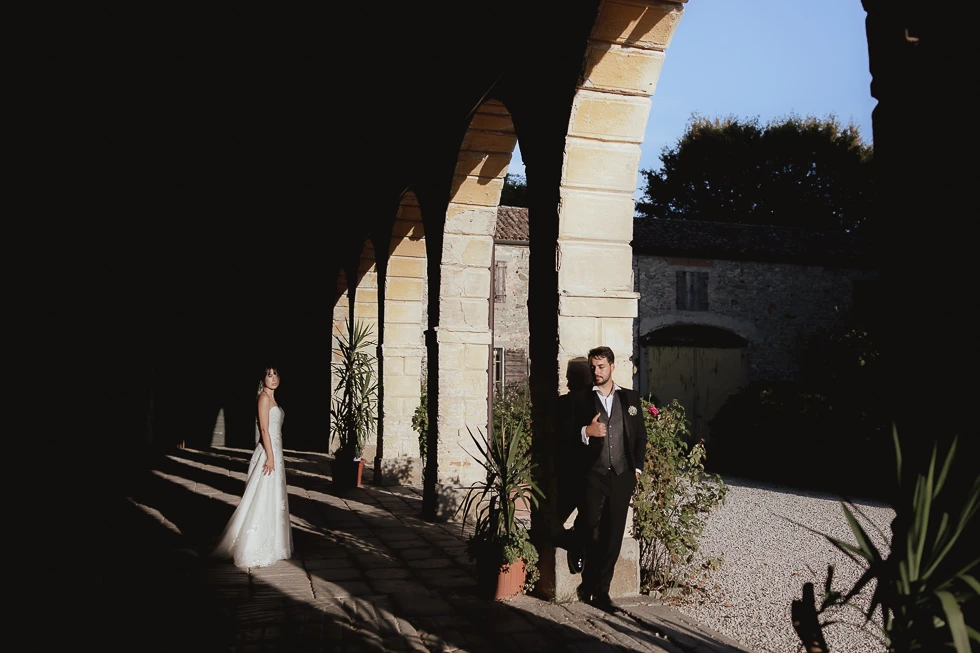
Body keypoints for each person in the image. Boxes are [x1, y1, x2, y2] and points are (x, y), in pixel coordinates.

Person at [565, 346, 647, 612]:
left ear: (612, 367)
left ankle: (600, 591)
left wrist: (637, 470)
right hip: (593, 473)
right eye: (592, 367)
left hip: (622, 475)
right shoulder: (579, 399)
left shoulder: (631, 399)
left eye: (601, 367)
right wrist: (586, 431)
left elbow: (639, 437)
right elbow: (563, 435)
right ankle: (577, 541)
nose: (596, 372)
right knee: (589, 524)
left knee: (613, 535)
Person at [212, 366, 293, 568]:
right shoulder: (264, 398)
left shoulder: (273, 398)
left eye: (275, 374)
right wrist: (271, 457)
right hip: (268, 453)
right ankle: (253, 545)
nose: (273, 378)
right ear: (263, 378)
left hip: (276, 452)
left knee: (274, 496)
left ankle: (274, 544)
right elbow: (264, 429)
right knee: (261, 496)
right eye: (269, 374)